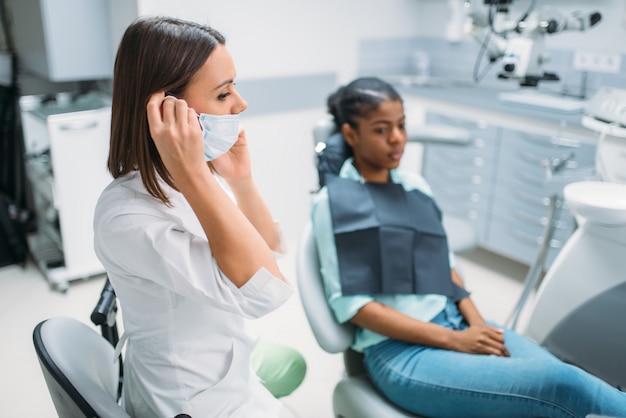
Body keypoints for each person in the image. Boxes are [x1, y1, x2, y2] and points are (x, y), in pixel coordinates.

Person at [310, 76, 626, 418]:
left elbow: (445, 267)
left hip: (456, 323)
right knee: (562, 384)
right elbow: (356, 307)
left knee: (569, 381)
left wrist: (476, 326)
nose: (397, 138)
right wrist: (454, 342)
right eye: (381, 130)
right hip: (402, 354)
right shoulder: (335, 204)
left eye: (401, 125)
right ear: (351, 134)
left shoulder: (414, 186)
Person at [93, 16, 305, 417]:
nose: (241, 104)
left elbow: (267, 252)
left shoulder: (184, 178)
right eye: (224, 94)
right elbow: (266, 291)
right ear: (165, 110)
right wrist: (196, 174)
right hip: (193, 402)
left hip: (228, 370)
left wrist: (241, 182)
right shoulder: (127, 217)